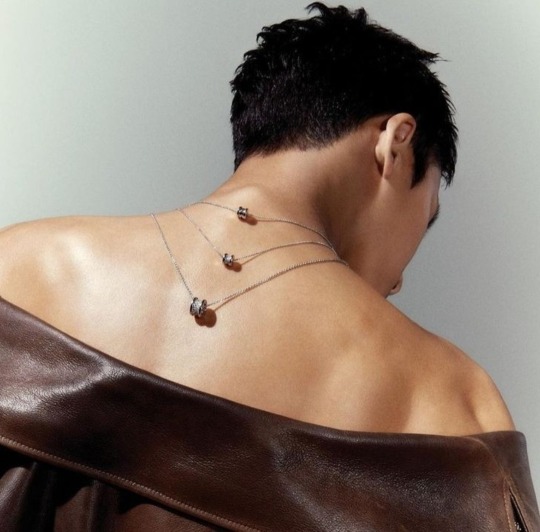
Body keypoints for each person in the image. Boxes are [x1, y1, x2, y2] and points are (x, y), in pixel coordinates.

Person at [0, 3, 538, 531]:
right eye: (427, 215)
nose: (399, 282)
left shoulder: (21, 263)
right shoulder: (454, 406)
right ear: (395, 144)